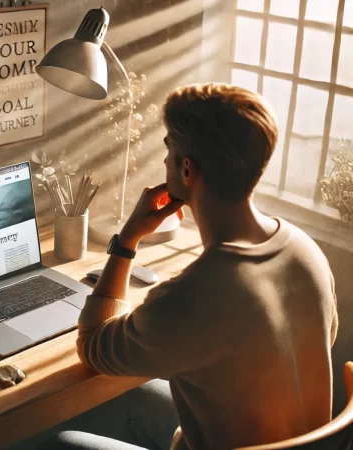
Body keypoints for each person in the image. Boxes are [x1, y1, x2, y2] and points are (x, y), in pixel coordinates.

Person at [45, 83, 339, 449]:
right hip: (298, 441)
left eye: (168, 149)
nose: (164, 161)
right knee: (138, 395)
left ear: (187, 170)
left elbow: (92, 346)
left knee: (62, 440)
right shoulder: (305, 251)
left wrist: (127, 241)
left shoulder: (191, 296)